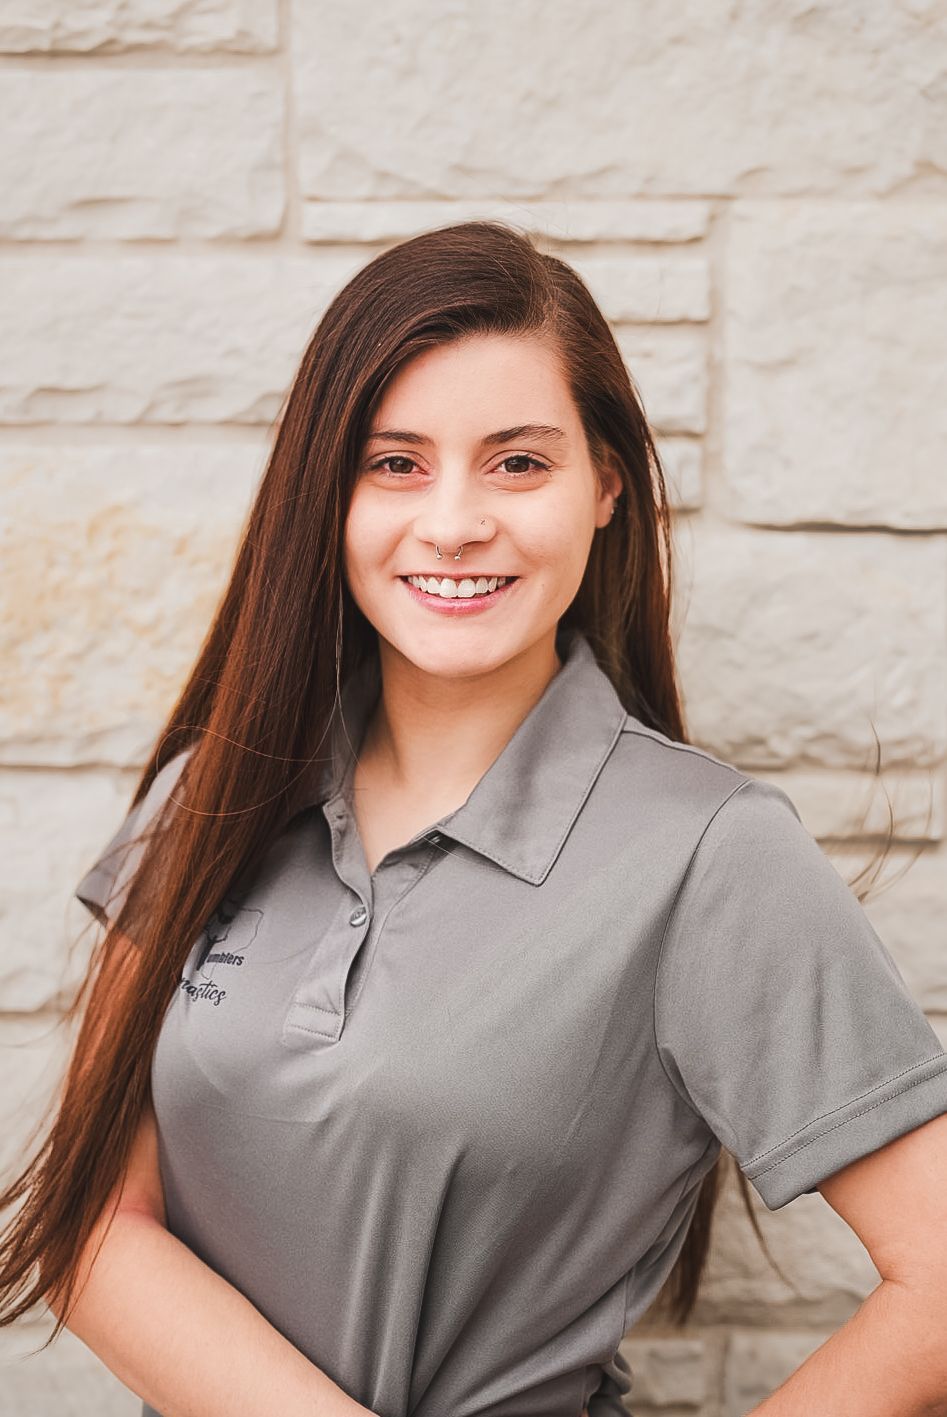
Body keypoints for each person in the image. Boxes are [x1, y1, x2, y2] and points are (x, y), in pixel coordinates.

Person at [2, 220, 947, 1417]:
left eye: (516, 462)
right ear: (326, 495)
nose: (452, 521)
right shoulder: (214, 789)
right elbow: (91, 1216)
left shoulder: (710, 853)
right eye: (395, 463)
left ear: (606, 484)